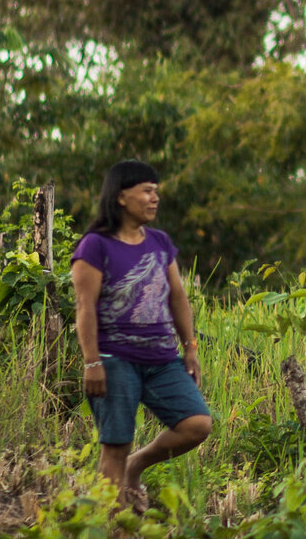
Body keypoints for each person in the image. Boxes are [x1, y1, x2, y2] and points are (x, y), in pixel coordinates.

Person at [71, 160, 212, 512]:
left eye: (156, 192)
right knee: (115, 447)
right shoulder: (95, 246)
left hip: (162, 360)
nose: (154, 199)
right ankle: (112, 530)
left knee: (197, 424)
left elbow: (177, 296)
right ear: (121, 197)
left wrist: (190, 348)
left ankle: (138, 465)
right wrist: (92, 362)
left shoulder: (160, 243)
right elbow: (84, 308)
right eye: (147, 191)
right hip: (114, 359)